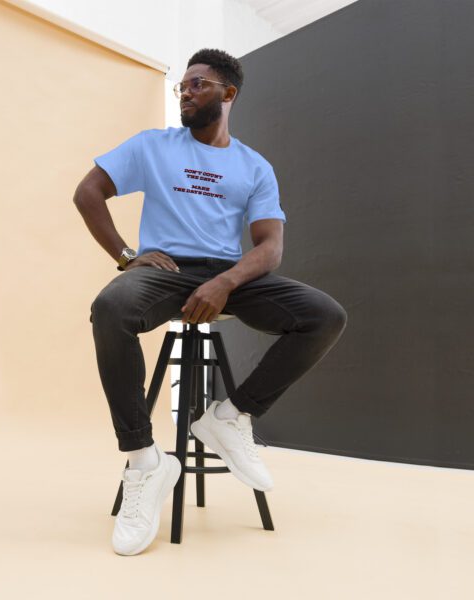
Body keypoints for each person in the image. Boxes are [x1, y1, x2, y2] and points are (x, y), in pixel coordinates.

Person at [73, 48, 348, 556]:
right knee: (110, 309)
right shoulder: (153, 146)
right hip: (166, 272)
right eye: (182, 85)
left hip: (228, 275)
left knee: (324, 316)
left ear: (228, 93)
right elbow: (88, 192)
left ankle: (229, 416)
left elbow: (270, 247)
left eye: (197, 84)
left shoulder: (253, 166)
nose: (185, 92)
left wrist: (225, 283)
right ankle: (144, 462)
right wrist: (128, 256)